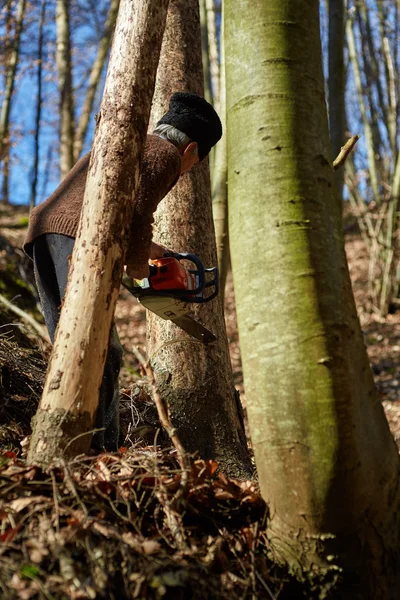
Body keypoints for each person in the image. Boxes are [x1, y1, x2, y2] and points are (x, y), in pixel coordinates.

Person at [23, 92, 222, 452]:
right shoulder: (164, 154)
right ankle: (101, 450)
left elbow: (122, 211)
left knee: (65, 343)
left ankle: (64, 439)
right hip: (74, 233)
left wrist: (154, 252)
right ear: (191, 150)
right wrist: (142, 270)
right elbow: (138, 215)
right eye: (197, 161)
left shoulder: (136, 145)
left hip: (44, 228)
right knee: (102, 352)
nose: (191, 167)